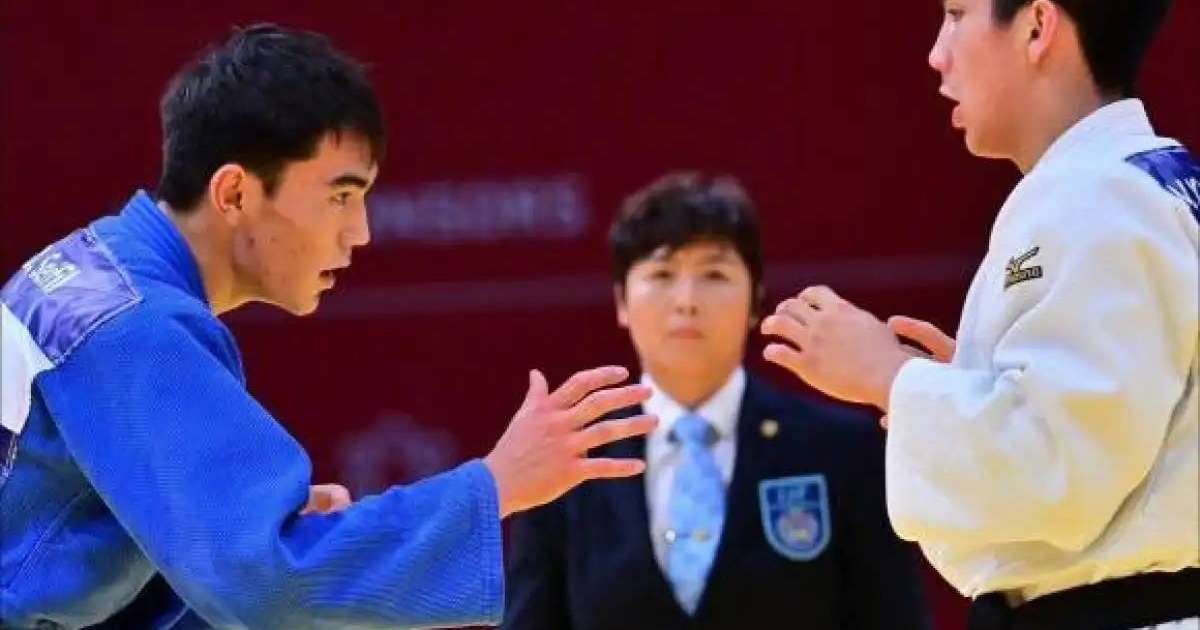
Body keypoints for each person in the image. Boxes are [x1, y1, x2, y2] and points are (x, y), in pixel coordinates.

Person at [0, 24, 657, 629]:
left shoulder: (89, 266)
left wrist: (227, 521)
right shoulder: (139, 330)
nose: (359, 232)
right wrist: (497, 485)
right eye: (340, 196)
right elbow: (272, 583)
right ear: (234, 194)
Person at [759, 1, 1198, 628]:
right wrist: (967, 390)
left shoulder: (1096, 196)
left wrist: (887, 374)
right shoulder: (1152, 179)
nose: (936, 54)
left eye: (957, 14)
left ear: (1037, 27)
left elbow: (1057, 474)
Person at [502, 173, 930, 629]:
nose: (686, 301)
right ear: (622, 301)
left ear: (755, 300)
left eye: (714, 275)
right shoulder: (569, 463)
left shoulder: (842, 450)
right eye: (662, 274)